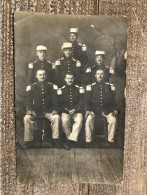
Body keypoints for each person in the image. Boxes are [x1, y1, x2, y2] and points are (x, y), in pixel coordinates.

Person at [24, 69, 61, 149]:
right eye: (40, 75)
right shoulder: (31, 87)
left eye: (44, 74)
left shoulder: (52, 86)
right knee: (27, 118)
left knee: (56, 117)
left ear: (46, 76)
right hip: (36, 112)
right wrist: (30, 110)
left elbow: (56, 100)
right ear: (36, 76)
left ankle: (56, 140)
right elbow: (28, 100)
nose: (42, 76)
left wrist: (54, 110)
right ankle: (28, 141)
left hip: (49, 112)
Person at [85, 69, 118, 147]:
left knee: (113, 120)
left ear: (104, 76)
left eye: (101, 74)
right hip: (94, 111)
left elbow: (115, 99)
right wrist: (88, 110)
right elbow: (87, 100)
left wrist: (116, 109)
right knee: (88, 120)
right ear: (95, 76)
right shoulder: (91, 86)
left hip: (107, 110)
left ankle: (111, 141)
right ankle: (88, 141)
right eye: (98, 74)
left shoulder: (109, 86)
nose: (100, 76)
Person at [57, 73, 84, 150]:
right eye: (68, 78)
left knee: (79, 120)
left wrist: (75, 109)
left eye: (71, 78)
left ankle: (69, 141)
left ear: (74, 79)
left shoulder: (79, 89)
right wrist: (67, 110)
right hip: (65, 111)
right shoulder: (61, 90)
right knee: (64, 121)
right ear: (65, 79)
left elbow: (81, 102)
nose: (70, 80)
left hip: (77, 111)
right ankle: (71, 140)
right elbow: (60, 103)